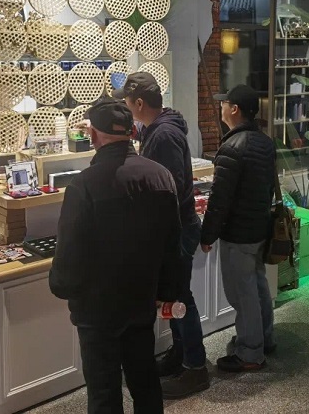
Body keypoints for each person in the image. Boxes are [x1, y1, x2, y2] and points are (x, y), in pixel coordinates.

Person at [49, 96, 181, 414]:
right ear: (132, 132)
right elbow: (172, 244)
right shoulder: (161, 176)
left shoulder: (84, 185)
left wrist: (63, 287)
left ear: (93, 135)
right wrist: (166, 292)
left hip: (97, 308)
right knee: (145, 380)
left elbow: (69, 252)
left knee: (104, 391)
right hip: (142, 298)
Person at [115, 71, 209, 399]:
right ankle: (180, 356)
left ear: (139, 103)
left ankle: (195, 368)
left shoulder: (164, 135)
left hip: (176, 230)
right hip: (175, 228)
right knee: (174, 296)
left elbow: (167, 189)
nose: (127, 108)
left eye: (127, 103)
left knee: (180, 299)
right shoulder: (158, 128)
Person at [201, 84, 276, 372]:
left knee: (242, 294)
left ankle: (250, 353)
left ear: (234, 109)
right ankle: (264, 338)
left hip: (238, 233)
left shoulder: (232, 147)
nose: (221, 107)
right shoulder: (264, 142)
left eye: (224, 103)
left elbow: (220, 199)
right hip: (258, 227)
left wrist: (208, 235)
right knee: (257, 286)